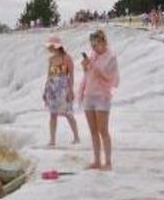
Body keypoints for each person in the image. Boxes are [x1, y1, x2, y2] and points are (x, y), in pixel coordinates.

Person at [78, 29, 120, 170]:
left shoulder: (111, 57)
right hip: (89, 95)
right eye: (92, 45)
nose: (93, 48)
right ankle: (96, 160)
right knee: (93, 131)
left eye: (95, 45)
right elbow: (89, 75)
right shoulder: (93, 55)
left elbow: (108, 77)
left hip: (102, 96)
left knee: (103, 130)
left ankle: (108, 162)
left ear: (103, 42)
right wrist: (85, 67)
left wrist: (93, 66)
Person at [43, 35, 80, 146]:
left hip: (63, 88)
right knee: (52, 114)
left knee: (68, 113)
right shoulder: (51, 59)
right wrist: (45, 90)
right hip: (52, 88)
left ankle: (76, 137)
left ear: (55, 46)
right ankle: (52, 139)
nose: (48, 48)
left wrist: (71, 90)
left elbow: (71, 75)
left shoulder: (67, 58)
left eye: (50, 46)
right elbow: (49, 75)